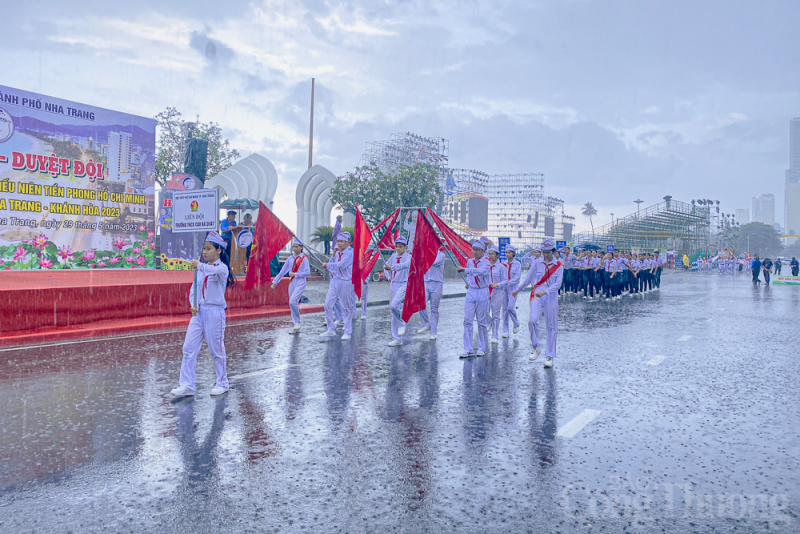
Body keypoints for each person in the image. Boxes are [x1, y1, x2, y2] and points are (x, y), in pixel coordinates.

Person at [171, 231, 236, 398]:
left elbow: (215, 271)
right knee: (188, 349)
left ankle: (222, 382)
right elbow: (195, 289)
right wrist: (193, 304)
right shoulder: (201, 269)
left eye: (208, 249)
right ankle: (186, 385)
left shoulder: (221, 268)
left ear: (219, 250)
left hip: (215, 313)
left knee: (216, 350)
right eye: (203, 249)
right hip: (199, 313)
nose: (205, 252)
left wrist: (198, 264)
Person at [513, 238, 563, 368]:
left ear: (553, 251)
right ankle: (535, 346)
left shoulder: (559, 265)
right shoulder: (537, 263)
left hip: (551, 295)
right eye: (543, 252)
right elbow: (528, 277)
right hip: (537, 294)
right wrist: (518, 290)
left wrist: (546, 292)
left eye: (548, 252)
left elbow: (558, 284)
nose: (546, 254)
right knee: (532, 320)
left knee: (551, 326)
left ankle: (550, 355)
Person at [456, 241, 490, 358]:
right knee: (467, 320)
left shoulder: (486, 262)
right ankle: (468, 349)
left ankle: (481, 347)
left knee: (481, 322)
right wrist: (469, 283)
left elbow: (480, 272)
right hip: (471, 292)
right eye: (473, 249)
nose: (474, 252)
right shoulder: (470, 262)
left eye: (477, 249)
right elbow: (471, 276)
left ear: (482, 251)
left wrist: (465, 270)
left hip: (482, 292)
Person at [271, 238, 310, 334]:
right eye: (293, 246)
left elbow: (307, 272)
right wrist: (275, 282)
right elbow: (283, 271)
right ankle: (296, 324)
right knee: (292, 303)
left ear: (301, 248)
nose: (294, 248)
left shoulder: (304, 259)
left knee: (293, 301)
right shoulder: (290, 259)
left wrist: (296, 274)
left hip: (300, 282)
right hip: (292, 282)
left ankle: (298, 322)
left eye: (297, 246)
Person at [320, 234, 354, 340]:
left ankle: (348, 331)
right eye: (337, 241)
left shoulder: (350, 253)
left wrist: (328, 265)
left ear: (347, 242)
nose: (338, 243)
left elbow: (341, 265)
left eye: (341, 241)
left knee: (345, 307)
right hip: (335, 281)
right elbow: (331, 264)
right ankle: (331, 329)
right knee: (327, 305)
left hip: (345, 282)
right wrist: (331, 261)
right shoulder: (336, 253)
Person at [384, 236, 412, 347]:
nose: (398, 249)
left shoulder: (409, 257)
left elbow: (404, 266)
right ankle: (397, 338)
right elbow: (385, 265)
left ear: (405, 247)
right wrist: (388, 276)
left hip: (404, 284)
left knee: (394, 306)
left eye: (400, 247)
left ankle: (401, 324)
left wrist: (391, 268)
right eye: (396, 246)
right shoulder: (393, 256)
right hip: (393, 284)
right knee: (393, 312)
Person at [418, 244, 446, 340]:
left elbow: (432, 262)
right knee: (421, 304)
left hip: (437, 283)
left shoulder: (441, 255)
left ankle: (433, 332)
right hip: (426, 282)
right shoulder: (425, 253)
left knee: (434, 309)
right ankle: (426, 324)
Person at [486, 245, 508, 344]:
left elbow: (506, 281)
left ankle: (495, 335)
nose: (490, 256)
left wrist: (497, 284)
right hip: (486, 291)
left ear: (497, 255)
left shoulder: (501, 267)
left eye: (492, 254)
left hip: (497, 292)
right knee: (484, 311)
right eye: (489, 254)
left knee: (496, 314)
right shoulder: (486, 265)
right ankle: (489, 322)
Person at [502, 245, 522, 336]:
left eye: (509, 252)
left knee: (510, 307)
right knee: (505, 309)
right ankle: (505, 330)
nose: (507, 254)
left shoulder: (517, 264)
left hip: (513, 288)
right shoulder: (503, 263)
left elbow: (517, 277)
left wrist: (508, 282)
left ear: (513, 253)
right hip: (504, 288)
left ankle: (516, 322)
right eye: (506, 252)